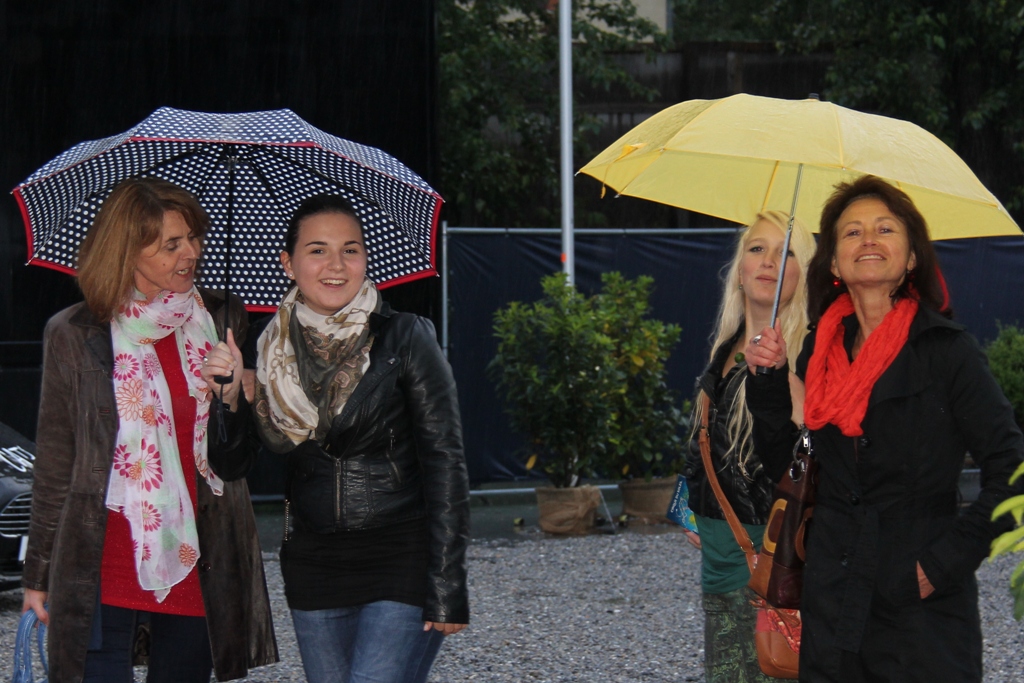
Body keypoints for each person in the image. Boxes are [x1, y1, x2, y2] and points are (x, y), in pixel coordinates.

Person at [744, 175, 1024, 682]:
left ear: (912, 257)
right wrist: (768, 381)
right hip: (833, 601)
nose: (868, 239)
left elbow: (1013, 469)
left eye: (885, 229)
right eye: (851, 232)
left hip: (920, 610)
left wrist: (942, 564)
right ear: (833, 263)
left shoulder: (947, 351)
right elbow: (788, 467)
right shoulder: (819, 350)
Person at [20, 177, 278, 683]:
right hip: (101, 555)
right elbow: (56, 461)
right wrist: (38, 576)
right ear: (126, 251)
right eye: (171, 244)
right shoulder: (74, 332)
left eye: (193, 238)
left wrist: (231, 398)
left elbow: (237, 462)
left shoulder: (221, 318)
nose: (191, 254)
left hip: (194, 553)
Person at [217, 193, 469, 683]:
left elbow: (446, 461)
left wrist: (448, 584)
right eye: (318, 250)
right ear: (288, 264)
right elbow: (231, 466)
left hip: (401, 556)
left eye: (350, 250)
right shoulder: (265, 350)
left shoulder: (405, 336)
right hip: (313, 565)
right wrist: (229, 400)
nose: (336, 265)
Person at [682, 210, 815, 682]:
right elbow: (707, 442)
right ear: (739, 270)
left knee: (774, 667)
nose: (769, 262)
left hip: (773, 559)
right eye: (757, 249)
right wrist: (690, 506)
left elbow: (809, 460)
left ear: (804, 273)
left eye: (787, 252)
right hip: (720, 558)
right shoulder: (724, 348)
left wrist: (786, 383)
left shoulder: (812, 351)